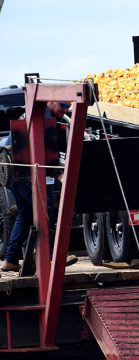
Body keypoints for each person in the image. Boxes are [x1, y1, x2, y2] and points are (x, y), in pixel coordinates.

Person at [1, 101, 78, 272]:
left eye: (67, 107)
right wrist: (59, 174)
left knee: (26, 214)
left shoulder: (35, 112)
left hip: (12, 173)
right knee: (45, 211)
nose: (65, 110)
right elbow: (45, 150)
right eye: (63, 105)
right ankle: (52, 256)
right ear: (50, 101)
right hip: (22, 173)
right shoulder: (42, 118)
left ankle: (11, 259)